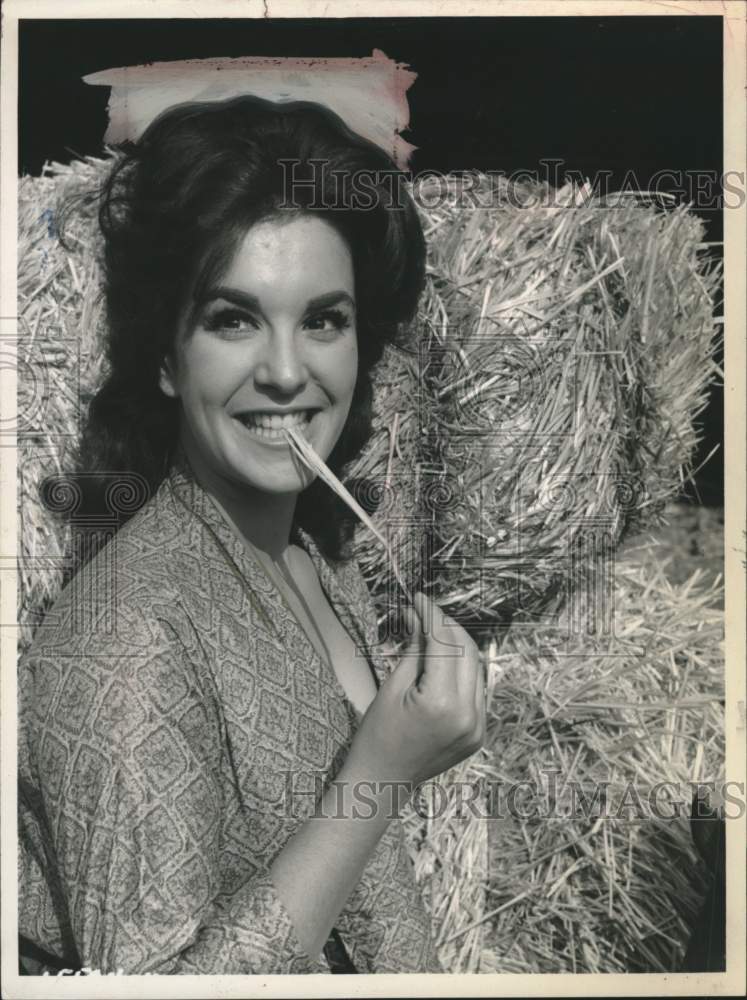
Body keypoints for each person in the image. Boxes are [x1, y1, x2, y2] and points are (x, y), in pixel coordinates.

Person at [18, 95, 486, 976]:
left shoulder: (319, 566)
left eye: (323, 320)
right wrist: (379, 773)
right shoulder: (126, 635)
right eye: (233, 319)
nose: (284, 372)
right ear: (164, 355)